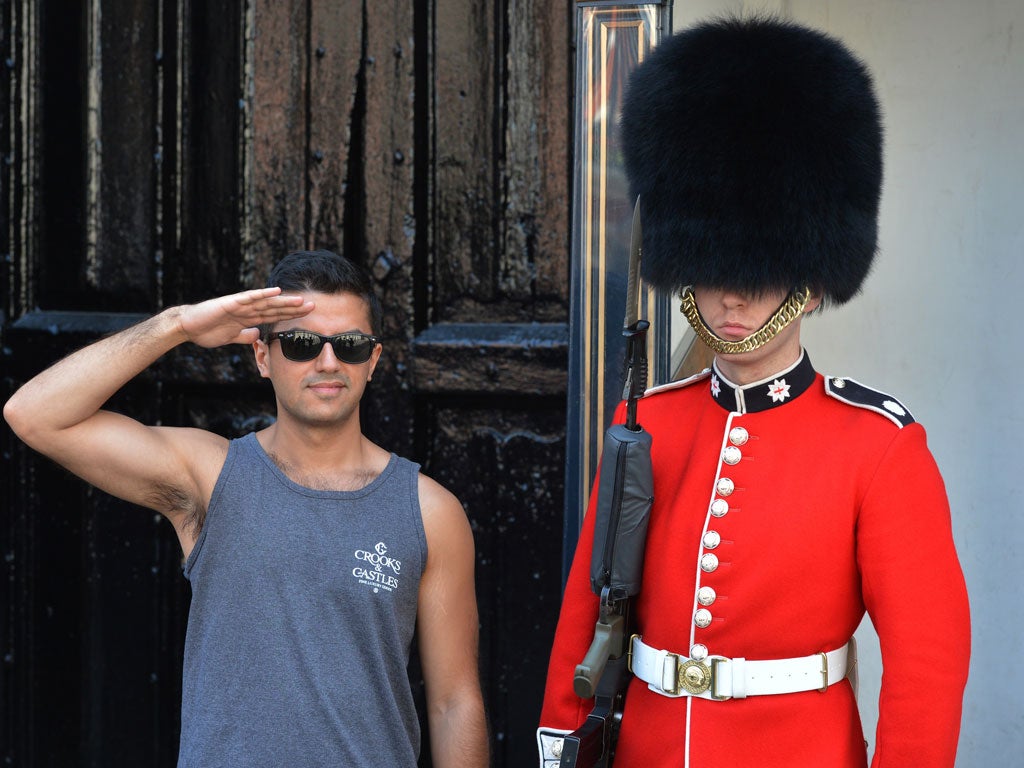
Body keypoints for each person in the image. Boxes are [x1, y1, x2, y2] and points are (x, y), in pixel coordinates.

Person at [537, 15, 969, 768]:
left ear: (805, 278)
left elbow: (927, 667)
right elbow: (588, 611)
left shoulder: (878, 445)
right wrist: (561, 740)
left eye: (756, 275)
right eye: (713, 272)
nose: (732, 300)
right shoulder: (651, 423)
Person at [4, 249, 489, 767]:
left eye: (349, 345)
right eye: (301, 344)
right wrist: (177, 325)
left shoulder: (429, 510)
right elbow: (34, 415)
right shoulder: (212, 477)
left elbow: (454, 701)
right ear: (263, 357)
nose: (328, 362)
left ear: (372, 359)